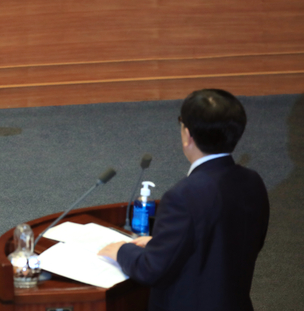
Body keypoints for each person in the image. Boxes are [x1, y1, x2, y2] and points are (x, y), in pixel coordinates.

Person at [98, 89, 270, 311]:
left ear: (187, 135)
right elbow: (232, 242)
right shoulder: (252, 181)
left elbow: (152, 269)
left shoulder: (182, 196)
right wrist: (162, 245)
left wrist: (122, 250)